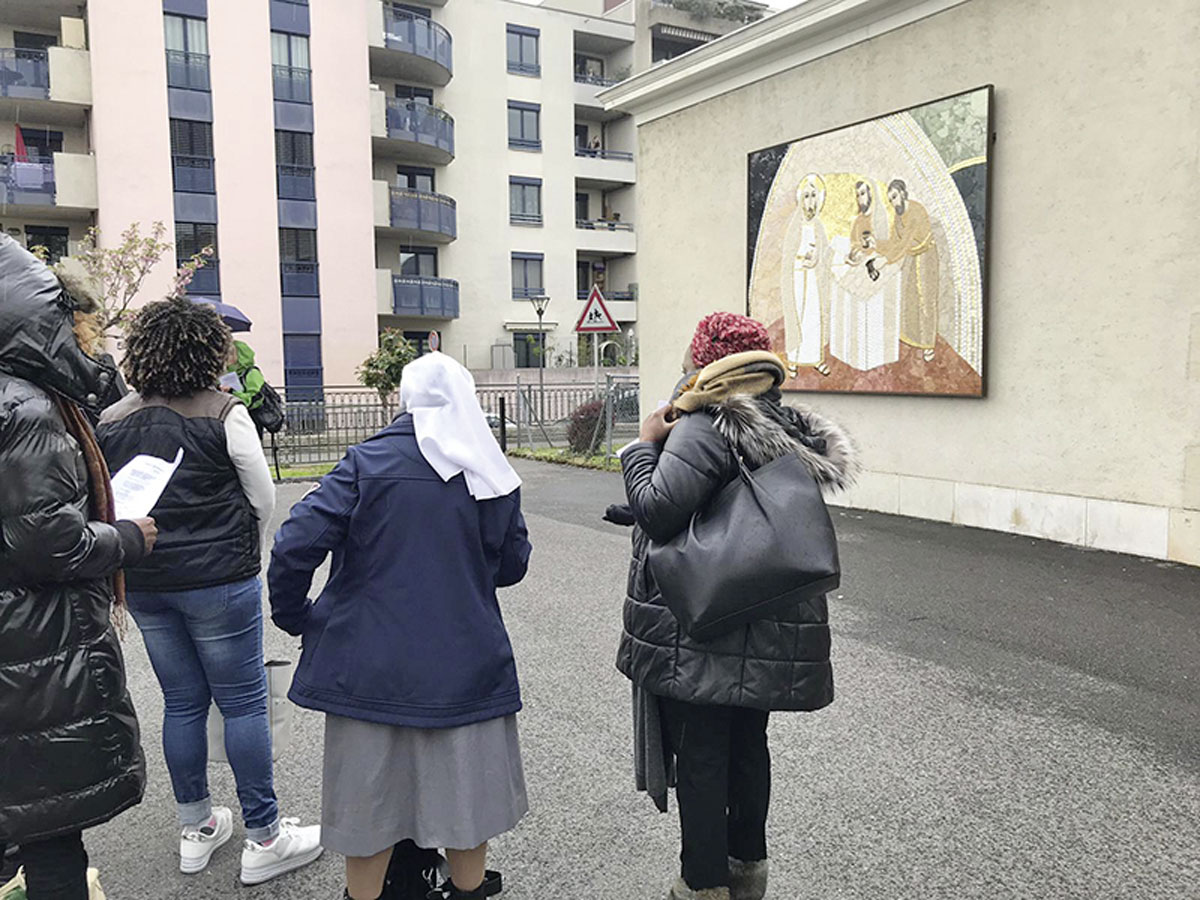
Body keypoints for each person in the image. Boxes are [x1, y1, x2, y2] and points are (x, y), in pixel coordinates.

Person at [268, 352, 532, 900]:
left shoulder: (366, 462)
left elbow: (295, 541)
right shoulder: (489, 468)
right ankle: (466, 889)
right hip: (466, 661)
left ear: (406, 400)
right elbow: (512, 567)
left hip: (367, 665)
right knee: (466, 805)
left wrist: (298, 617)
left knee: (369, 809)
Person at [617, 312, 857, 900]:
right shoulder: (781, 424)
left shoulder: (705, 423)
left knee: (701, 755)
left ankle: (700, 885)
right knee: (748, 747)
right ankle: (748, 873)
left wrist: (643, 446)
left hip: (708, 620)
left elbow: (660, 508)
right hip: (768, 614)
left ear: (705, 363)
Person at [95, 298, 322, 885]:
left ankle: (195, 829)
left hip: (145, 579)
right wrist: (246, 545)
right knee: (243, 702)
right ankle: (265, 835)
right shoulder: (225, 412)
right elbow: (262, 497)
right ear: (206, 349)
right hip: (221, 580)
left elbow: (105, 502)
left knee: (182, 703)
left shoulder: (112, 419)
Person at [0, 234, 154, 898]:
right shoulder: (29, 407)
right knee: (50, 825)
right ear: (51, 322)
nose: (92, 339)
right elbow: (50, 543)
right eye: (87, 324)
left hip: (19, 644)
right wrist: (125, 537)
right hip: (34, 650)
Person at [868, 178, 940, 362]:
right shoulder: (898, 217)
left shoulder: (916, 211)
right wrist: (876, 245)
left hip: (925, 257)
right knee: (909, 299)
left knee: (926, 299)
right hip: (910, 257)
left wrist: (883, 262)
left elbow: (904, 243)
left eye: (894, 197)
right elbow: (894, 242)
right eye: (890, 200)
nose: (893, 202)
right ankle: (914, 338)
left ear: (902, 193)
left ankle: (928, 344)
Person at [783, 174, 832, 376]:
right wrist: (799, 259)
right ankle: (793, 360)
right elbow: (788, 253)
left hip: (813, 276)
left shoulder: (819, 225)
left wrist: (817, 257)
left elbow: (825, 250)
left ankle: (815, 358)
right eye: (806, 196)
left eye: (813, 196)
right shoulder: (795, 224)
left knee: (812, 315)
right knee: (797, 314)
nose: (810, 201)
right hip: (797, 275)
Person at [221, 339, 268, 435]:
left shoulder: (252, 373)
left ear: (240, 355)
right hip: (232, 418)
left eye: (230, 354)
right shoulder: (229, 373)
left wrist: (232, 391)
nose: (226, 358)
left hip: (250, 419)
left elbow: (255, 398)